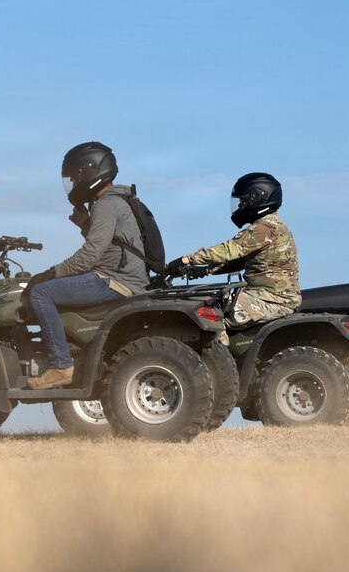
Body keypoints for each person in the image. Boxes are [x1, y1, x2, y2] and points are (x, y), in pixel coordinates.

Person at [24, 142, 150, 389]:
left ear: (90, 172)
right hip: (125, 277)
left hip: (115, 280)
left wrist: (51, 273)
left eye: (74, 177)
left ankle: (61, 366)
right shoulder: (118, 200)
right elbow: (112, 247)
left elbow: (89, 257)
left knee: (40, 293)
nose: (73, 183)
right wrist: (85, 225)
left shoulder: (106, 205)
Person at [170, 173, 298, 327]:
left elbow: (227, 251)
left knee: (207, 315)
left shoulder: (264, 228)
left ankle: (213, 350)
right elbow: (238, 262)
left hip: (270, 299)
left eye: (243, 201)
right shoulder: (275, 226)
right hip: (271, 297)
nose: (239, 206)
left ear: (257, 198)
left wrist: (186, 259)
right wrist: (204, 271)